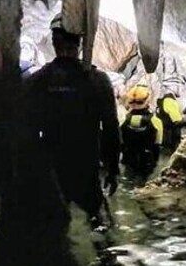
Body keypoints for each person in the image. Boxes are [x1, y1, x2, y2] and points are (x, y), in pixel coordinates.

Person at [13, 13, 121, 233]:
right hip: (87, 166)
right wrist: (113, 168)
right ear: (80, 43)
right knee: (102, 230)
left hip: (51, 169)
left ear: (54, 42)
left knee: (52, 232)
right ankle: (107, 263)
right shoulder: (97, 80)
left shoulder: (38, 80)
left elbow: (26, 130)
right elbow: (111, 127)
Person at [120, 85, 163, 178]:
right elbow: (158, 144)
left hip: (128, 158)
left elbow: (120, 141)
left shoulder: (123, 119)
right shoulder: (156, 121)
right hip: (147, 160)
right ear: (147, 101)